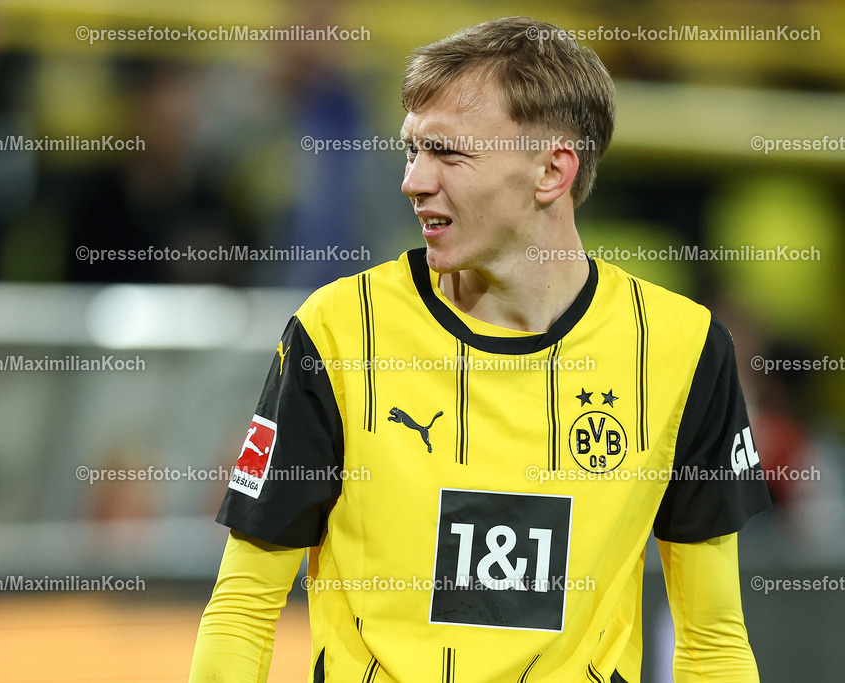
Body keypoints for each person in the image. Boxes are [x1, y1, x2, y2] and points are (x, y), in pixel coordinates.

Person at [190, 16, 770, 682]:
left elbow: (712, 640)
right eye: (412, 150)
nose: (414, 180)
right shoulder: (340, 333)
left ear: (552, 171)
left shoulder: (682, 350)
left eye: (448, 153)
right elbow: (242, 608)